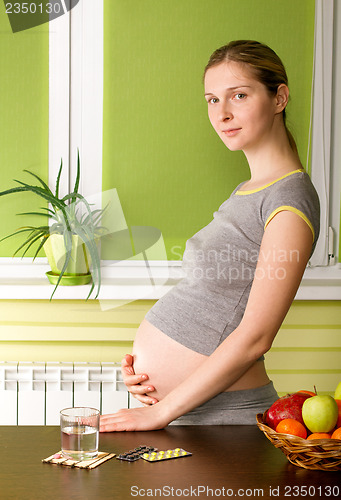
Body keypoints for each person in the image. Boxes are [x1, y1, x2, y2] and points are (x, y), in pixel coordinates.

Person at [100, 40, 320, 432]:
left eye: (238, 95)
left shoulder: (289, 198)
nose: (223, 113)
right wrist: (152, 377)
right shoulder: (249, 189)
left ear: (279, 97)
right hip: (190, 411)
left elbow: (255, 336)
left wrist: (159, 412)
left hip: (223, 421)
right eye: (212, 100)